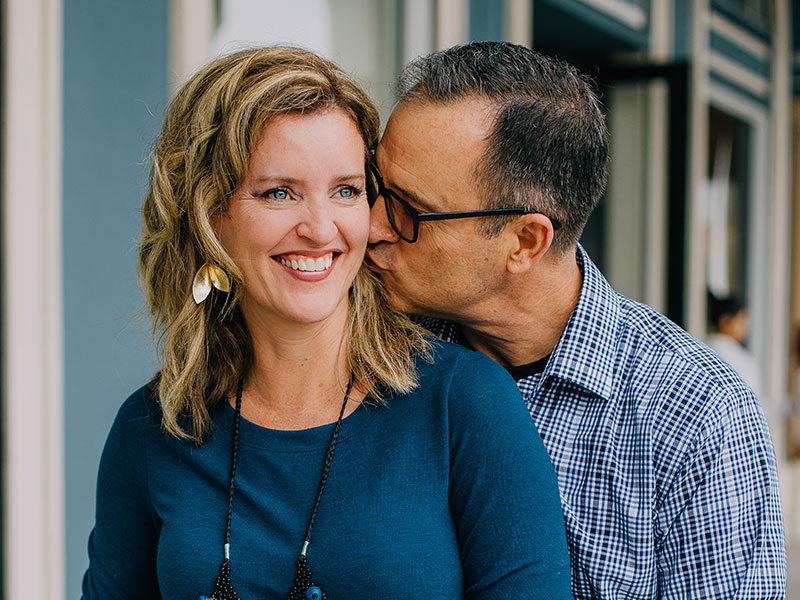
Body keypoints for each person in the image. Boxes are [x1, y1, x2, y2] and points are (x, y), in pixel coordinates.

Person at [81, 46, 573, 599]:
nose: (320, 228)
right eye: (278, 193)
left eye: (346, 190)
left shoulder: (466, 403)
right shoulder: (153, 429)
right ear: (207, 216)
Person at [366, 41, 786, 598]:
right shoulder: (371, 344)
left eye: (407, 209)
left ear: (524, 240)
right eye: (369, 185)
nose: (371, 225)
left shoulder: (697, 417)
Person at [706, 292, 763, 400]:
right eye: (740, 319)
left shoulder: (700, 346)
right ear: (725, 321)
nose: (746, 325)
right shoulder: (741, 359)